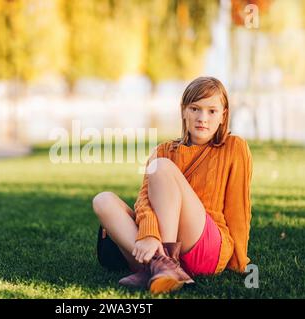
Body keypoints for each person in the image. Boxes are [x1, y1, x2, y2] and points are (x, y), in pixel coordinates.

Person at [92, 76, 253, 294]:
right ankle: (160, 264)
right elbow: (145, 201)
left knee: (161, 167)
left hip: (205, 247)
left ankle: (164, 263)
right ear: (184, 111)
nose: (202, 118)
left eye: (211, 111)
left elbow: (238, 210)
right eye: (195, 109)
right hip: (157, 244)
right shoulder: (164, 150)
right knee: (103, 201)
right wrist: (148, 235)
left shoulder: (235, 147)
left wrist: (239, 263)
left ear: (223, 116)